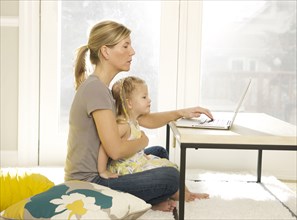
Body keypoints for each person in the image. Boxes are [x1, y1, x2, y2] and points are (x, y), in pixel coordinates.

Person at [64, 20, 213, 212]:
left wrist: (180, 113)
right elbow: (116, 151)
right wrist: (143, 140)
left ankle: (150, 200)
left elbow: (141, 120)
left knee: (159, 152)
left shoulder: (102, 89)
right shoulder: (96, 90)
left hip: (105, 170)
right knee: (170, 176)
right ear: (106, 52)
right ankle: (152, 199)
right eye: (125, 46)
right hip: (91, 182)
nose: (132, 51)